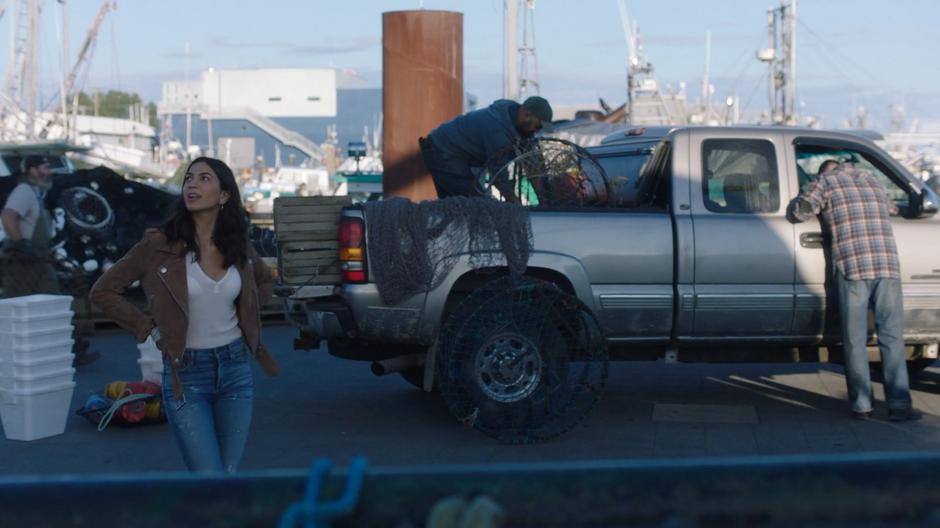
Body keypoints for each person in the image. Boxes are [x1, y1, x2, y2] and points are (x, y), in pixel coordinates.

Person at [90, 157, 280, 472]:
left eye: (204, 178)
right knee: (208, 477)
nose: (192, 183)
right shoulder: (158, 246)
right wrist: (147, 327)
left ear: (223, 196)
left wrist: (248, 314)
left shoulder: (238, 246)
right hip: (186, 375)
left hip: (235, 370)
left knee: (228, 474)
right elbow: (103, 291)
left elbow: (263, 281)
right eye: (189, 178)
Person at [788, 161, 919, 422]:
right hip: (886, 266)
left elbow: (800, 212)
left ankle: (862, 406)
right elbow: (893, 209)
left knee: (855, 340)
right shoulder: (872, 181)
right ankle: (900, 406)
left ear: (824, 171)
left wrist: (801, 199)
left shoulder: (825, 183)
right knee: (892, 339)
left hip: (853, 266)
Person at [1, 155, 99, 366]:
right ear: (33, 170)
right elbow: (8, 216)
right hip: (22, 262)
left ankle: (73, 350)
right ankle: (9, 353)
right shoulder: (24, 191)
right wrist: (20, 244)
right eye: (45, 168)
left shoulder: (37, 193)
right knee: (14, 306)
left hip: (39, 260)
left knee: (54, 303)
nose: (50, 172)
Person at [419, 96, 553, 200]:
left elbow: (532, 164)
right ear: (526, 115)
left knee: (469, 202)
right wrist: (514, 202)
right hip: (443, 151)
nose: (536, 131)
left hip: (463, 157)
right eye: (538, 126)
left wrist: (544, 197)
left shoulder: (523, 129)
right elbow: (498, 173)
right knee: (471, 203)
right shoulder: (497, 129)